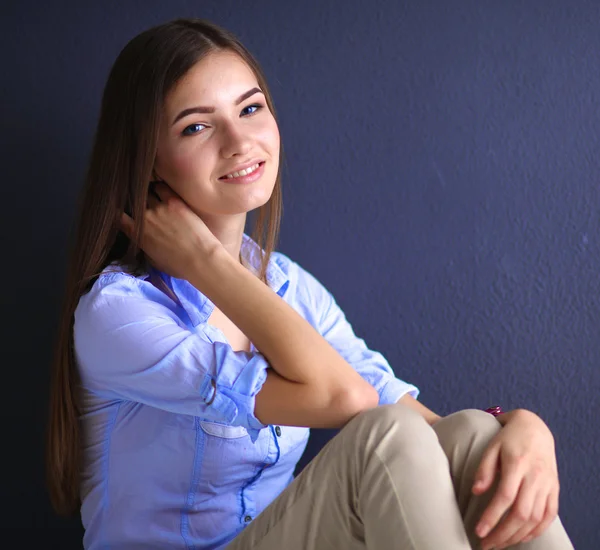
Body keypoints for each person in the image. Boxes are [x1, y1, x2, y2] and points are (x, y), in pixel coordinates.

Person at [45, 17, 575, 550]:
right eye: (196, 127)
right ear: (149, 162)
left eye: (250, 109)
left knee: (479, 443)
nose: (239, 140)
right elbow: (346, 397)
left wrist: (524, 428)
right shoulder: (118, 312)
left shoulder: (289, 285)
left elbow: (420, 422)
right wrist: (206, 263)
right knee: (385, 439)